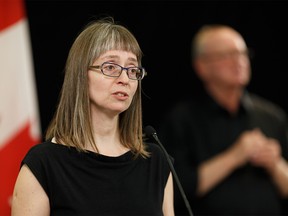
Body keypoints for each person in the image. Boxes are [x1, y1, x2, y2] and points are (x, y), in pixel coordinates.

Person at [11, 17, 174, 216]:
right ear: (80, 75)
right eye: (110, 67)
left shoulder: (156, 161)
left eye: (132, 70)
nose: (124, 79)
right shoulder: (44, 164)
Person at [159, 24, 288, 215]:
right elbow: (175, 190)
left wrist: (275, 163)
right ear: (202, 66)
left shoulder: (272, 116)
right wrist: (235, 156)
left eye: (243, 54)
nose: (239, 62)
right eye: (227, 55)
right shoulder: (182, 119)